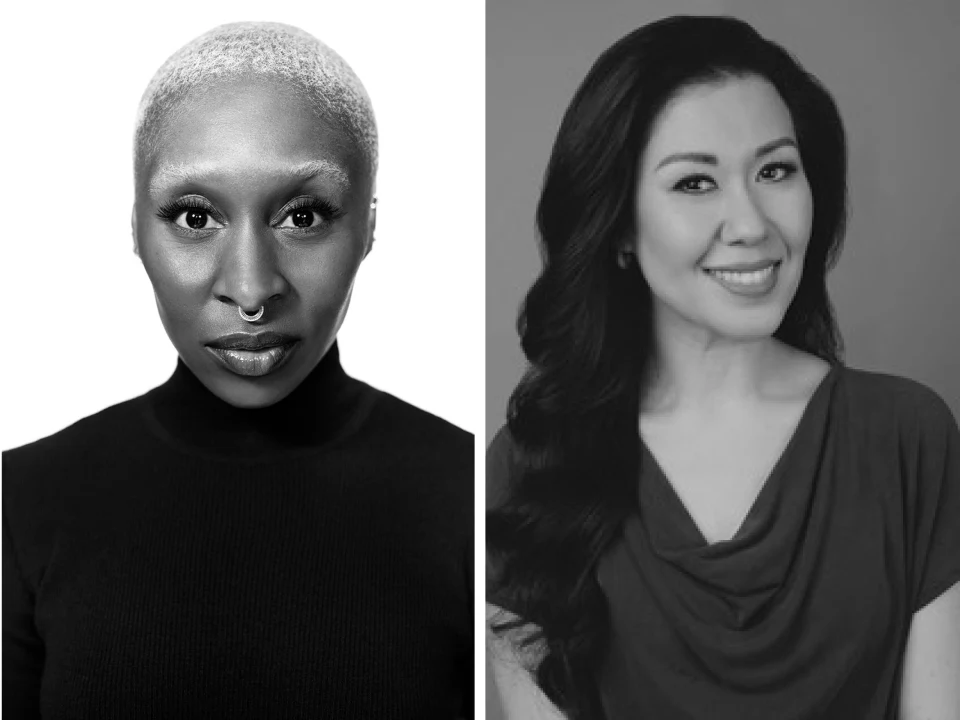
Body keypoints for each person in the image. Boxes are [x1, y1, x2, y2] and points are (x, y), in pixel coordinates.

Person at [486, 15, 960, 720]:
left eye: (775, 171)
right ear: (618, 225)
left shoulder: (906, 437)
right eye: (695, 183)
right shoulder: (533, 468)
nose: (752, 224)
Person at [3, 22, 473, 719]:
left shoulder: (475, 498)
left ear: (369, 226)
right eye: (195, 217)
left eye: (303, 215)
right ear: (136, 228)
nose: (251, 290)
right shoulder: (18, 504)